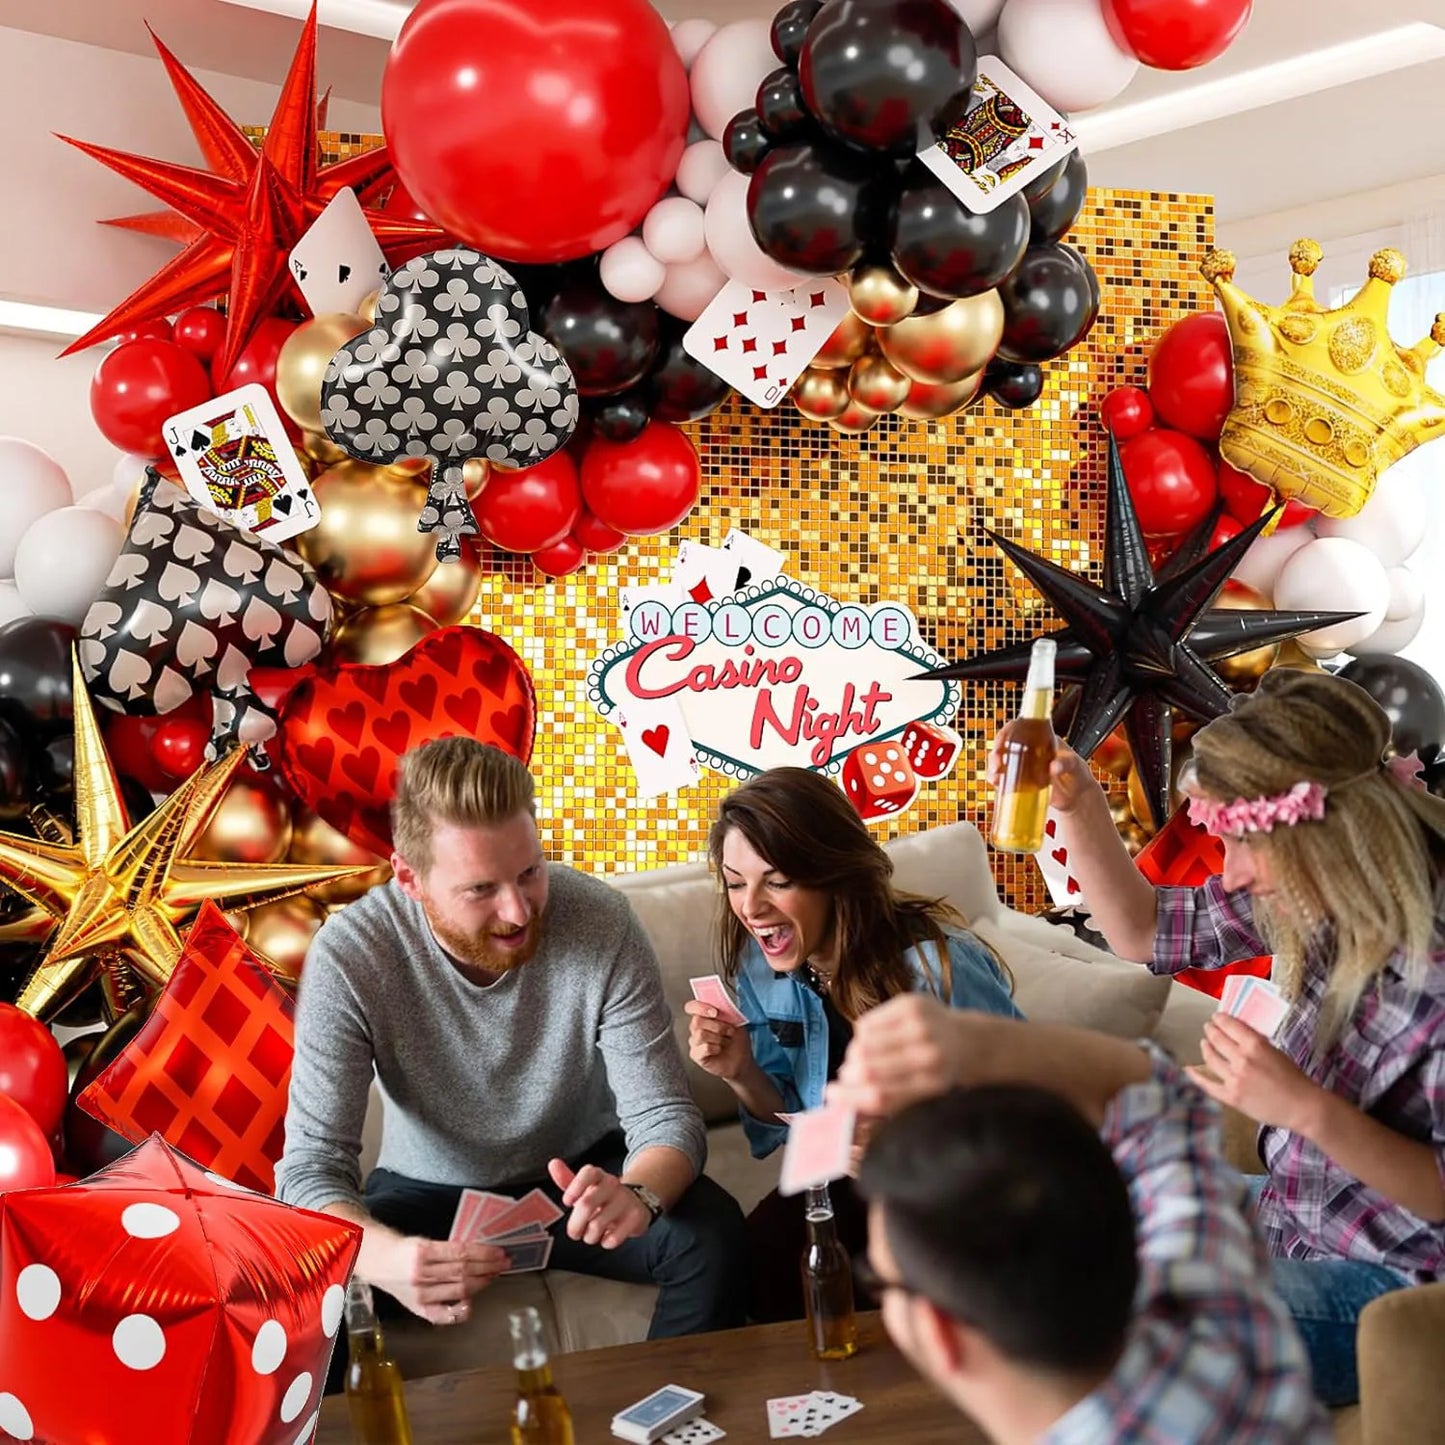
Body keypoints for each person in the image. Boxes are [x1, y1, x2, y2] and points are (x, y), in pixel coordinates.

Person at [1014, 668, 1445, 1406]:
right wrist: (1079, 803)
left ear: (1325, 832)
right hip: (1293, 1215)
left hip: (1388, 1288)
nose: (1232, 874)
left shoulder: (1430, 973)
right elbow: (1142, 928)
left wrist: (1301, 1106)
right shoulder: (1314, 891)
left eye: (1243, 844)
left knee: (1117, 1309)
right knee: (1069, 1209)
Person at [276, 737, 747, 1391]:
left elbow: (665, 1113)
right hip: (424, 1190)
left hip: (584, 1172)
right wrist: (389, 1259)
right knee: (299, 1291)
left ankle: (662, 1420)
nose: (519, 910)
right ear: (408, 878)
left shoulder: (601, 919)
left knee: (713, 1237)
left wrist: (638, 1191)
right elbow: (308, 1169)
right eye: (480, 888)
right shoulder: (352, 955)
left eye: (530, 871)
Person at [835, 995, 1331, 1444]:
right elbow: (1166, 1105)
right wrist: (976, 1038)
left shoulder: (1214, 1305)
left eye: (878, 1276)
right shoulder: (1220, 1323)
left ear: (938, 1331)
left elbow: (1163, 1108)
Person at [684, 766, 1020, 1322]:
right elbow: (782, 1125)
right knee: (750, 1264)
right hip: (841, 1181)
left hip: (956, 1188)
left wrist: (910, 1135)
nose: (752, 907)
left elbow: (1030, 1110)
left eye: (778, 880)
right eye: (737, 883)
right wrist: (739, 1069)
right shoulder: (758, 967)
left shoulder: (939, 966)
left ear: (831, 874)